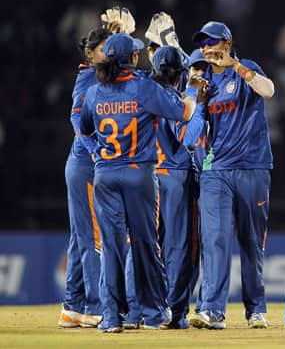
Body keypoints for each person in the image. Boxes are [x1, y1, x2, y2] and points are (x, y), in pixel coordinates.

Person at [79, 33, 197, 333]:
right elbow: (184, 112)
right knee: (145, 244)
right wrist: (193, 91)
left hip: (105, 174)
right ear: (132, 58)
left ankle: (111, 317)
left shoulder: (95, 90)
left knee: (112, 247)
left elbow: (85, 127)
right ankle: (154, 314)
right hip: (139, 174)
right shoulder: (143, 86)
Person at [187, 21, 275, 330]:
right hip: (216, 171)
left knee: (251, 243)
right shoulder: (203, 82)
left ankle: (256, 310)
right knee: (216, 239)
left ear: (228, 43)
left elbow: (269, 90)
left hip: (253, 166)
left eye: (213, 42)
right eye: (204, 43)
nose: (208, 48)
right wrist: (197, 101)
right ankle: (212, 310)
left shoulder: (247, 67)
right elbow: (190, 137)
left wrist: (236, 66)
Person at [58, 27, 111, 329]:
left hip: (85, 165)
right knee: (92, 237)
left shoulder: (105, 74)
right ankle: (94, 306)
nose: (109, 53)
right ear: (90, 54)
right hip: (86, 165)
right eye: (104, 48)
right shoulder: (90, 75)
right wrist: (94, 151)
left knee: (81, 238)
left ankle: (72, 306)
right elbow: (76, 118)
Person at [150, 46, 204, 329]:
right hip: (176, 175)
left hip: (148, 175)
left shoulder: (143, 94)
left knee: (148, 245)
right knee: (181, 247)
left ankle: (146, 307)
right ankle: (175, 310)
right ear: (181, 73)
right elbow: (188, 136)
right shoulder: (173, 99)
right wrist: (199, 102)